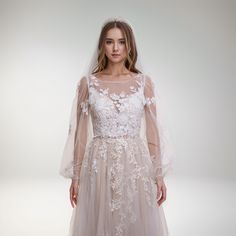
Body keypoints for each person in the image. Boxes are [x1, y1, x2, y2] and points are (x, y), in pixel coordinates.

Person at [59, 18, 174, 236]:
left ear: (129, 45)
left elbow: (152, 131)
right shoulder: (88, 83)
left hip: (134, 163)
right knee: (100, 220)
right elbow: (80, 133)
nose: (115, 48)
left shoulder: (143, 83)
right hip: (98, 164)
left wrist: (159, 175)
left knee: (134, 219)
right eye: (109, 42)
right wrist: (76, 177)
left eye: (121, 42)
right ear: (102, 45)